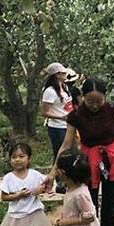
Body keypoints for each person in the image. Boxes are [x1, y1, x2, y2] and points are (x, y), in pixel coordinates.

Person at [44, 78, 114, 226]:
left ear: (105, 97)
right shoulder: (76, 115)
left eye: (99, 101)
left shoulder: (111, 110)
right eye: (90, 101)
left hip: (112, 159)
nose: (94, 105)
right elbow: (66, 144)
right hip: (88, 162)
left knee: (109, 205)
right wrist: (53, 172)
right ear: (82, 97)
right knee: (89, 203)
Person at [0, 143, 51, 226]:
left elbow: (47, 183)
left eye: (21, 156)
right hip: (15, 216)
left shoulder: (35, 175)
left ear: (29, 159)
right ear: (10, 160)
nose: (17, 160)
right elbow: (4, 197)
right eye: (14, 157)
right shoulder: (8, 178)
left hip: (34, 214)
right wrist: (18, 195)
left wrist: (41, 189)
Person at [53, 149, 102, 226]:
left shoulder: (80, 194)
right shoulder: (71, 188)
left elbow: (90, 217)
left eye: (57, 169)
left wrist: (66, 222)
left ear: (62, 173)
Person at [41, 62, 73, 194]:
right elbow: (45, 112)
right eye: (63, 73)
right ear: (57, 75)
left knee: (70, 152)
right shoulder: (49, 92)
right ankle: (59, 181)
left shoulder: (65, 87)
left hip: (68, 125)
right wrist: (61, 117)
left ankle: (68, 179)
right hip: (57, 127)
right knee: (60, 153)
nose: (65, 75)